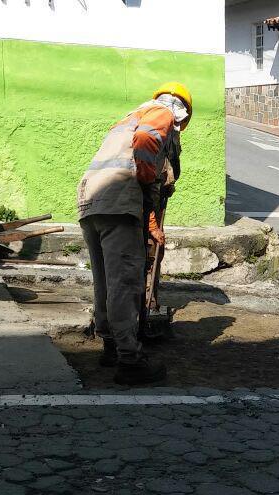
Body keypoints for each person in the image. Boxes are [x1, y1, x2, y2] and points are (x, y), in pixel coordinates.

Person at [76, 82, 191, 385]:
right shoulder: (161, 112)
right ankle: (130, 360)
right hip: (118, 202)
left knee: (105, 281)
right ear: (182, 112)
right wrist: (148, 177)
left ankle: (111, 346)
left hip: (92, 200)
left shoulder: (128, 117)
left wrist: (150, 221)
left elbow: (132, 150)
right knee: (125, 283)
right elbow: (145, 143)